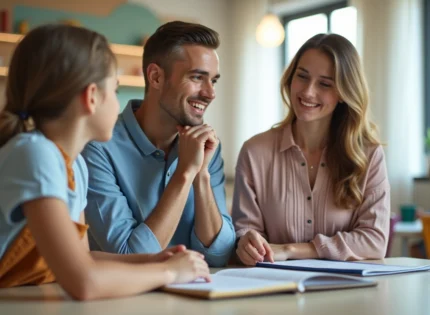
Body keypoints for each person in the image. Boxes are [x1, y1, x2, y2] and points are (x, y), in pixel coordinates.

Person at [0, 24, 210, 300]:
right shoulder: (35, 155)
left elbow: (82, 257)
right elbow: (83, 282)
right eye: (115, 89)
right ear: (91, 98)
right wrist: (170, 272)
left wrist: (153, 260)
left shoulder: (75, 165)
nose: (118, 102)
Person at [81, 21, 235, 267]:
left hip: (198, 297)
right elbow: (129, 257)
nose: (210, 93)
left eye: (213, 81)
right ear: (156, 77)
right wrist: (185, 173)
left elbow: (219, 254)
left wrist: (201, 175)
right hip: (122, 302)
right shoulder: (97, 148)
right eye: (197, 77)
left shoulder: (206, 146)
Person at [232, 33, 390, 265]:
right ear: (290, 79)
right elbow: (245, 230)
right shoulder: (254, 152)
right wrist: (246, 242)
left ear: (344, 93)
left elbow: (374, 240)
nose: (307, 92)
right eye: (302, 77)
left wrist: (292, 249)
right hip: (276, 290)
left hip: (348, 292)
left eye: (325, 84)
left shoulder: (368, 154)